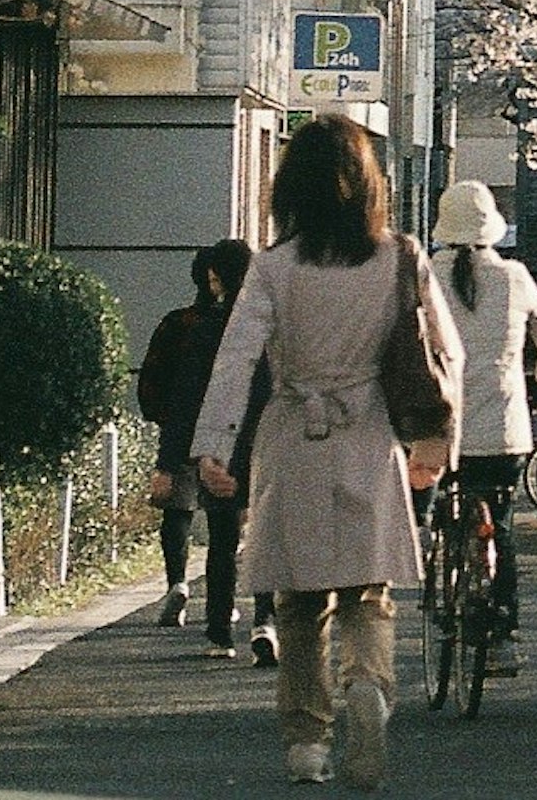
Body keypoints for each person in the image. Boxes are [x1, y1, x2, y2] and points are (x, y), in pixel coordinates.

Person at [194, 116, 459, 790]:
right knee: (368, 593)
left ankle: (308, 740)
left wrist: (213, 446)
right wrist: (435, 443)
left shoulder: (273, 267)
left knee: (300, 600)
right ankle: (368, 686)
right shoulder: (400, 256)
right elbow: (443, 351)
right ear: (368, 183)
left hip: (293, 438)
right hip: (369, 435)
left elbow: (236, 360)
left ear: (290, 187)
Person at [426, 182, 537, 665]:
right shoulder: (514, 277)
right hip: (504, 430)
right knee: (501, 525)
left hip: (441, 428)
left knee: (447, 516)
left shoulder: (425, 275)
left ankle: (448, 590)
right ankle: (503, 634)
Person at [138, 241, 255, 648]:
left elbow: (166, 385)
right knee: (253, 532)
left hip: (194, 432)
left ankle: (191, 596)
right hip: (257, 438)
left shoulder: (186, 325)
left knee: (191, 517)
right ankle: (267, 621)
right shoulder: (262, 324)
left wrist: (167, 455)